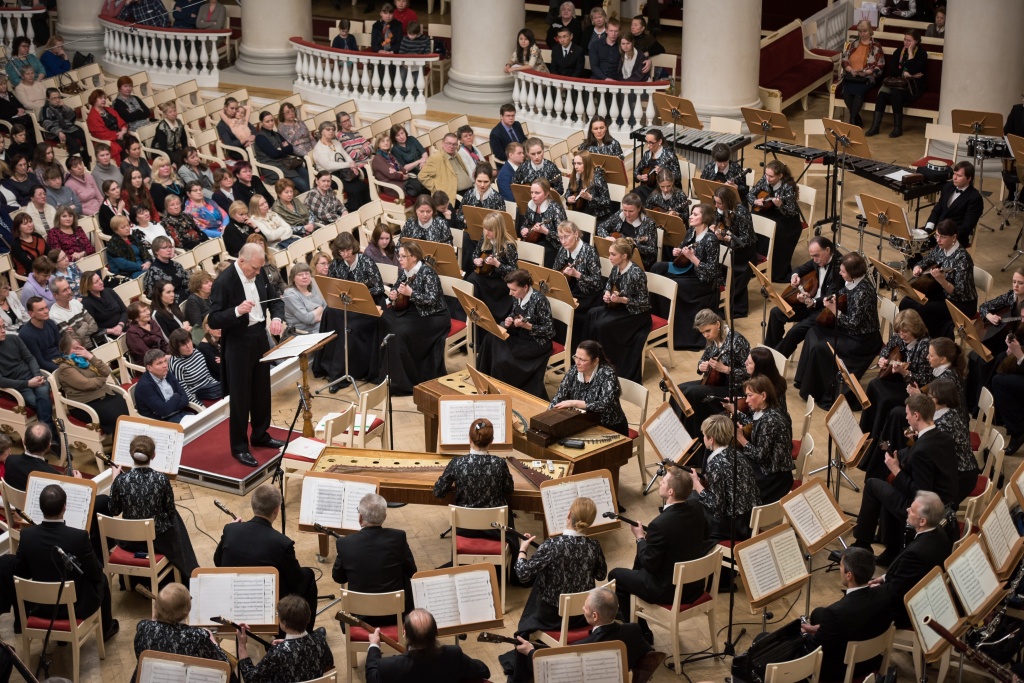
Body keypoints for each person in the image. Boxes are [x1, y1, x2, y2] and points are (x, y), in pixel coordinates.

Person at [853, 395, 956, 565]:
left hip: (926, 511)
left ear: (917, 416)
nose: (906, 417)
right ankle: (891, 548)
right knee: (887, 486)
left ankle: (862, 546)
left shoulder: (921, 450)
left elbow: (920, 493)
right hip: (945, 501)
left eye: (908, 414)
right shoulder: (943, 437)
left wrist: (896, 470)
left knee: (872, 484)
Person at [208, 243, 285, 465]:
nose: (258, 272)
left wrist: (277, 318)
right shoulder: (224, 282)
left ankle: (260, 434)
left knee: (262, 389)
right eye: (255, 268)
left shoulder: (258, 273)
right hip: (238, 342)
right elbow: (213, 319)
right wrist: (236, 311)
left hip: (259, 337)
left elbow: (275, 300)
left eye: (260, 268)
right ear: (242, 261)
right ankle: (239, 447)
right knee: (241, 397)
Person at [9, 484, 118, 640]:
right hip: (74, 608)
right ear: (65, 507)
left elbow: (20, 572)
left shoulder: (27, 536)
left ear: (40, 508)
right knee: (103, 580)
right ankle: (106, 629)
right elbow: (95, 572)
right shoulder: (78, 537)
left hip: (40, 606)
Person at [215, 484, 320, 632]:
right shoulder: (282, 543)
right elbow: (296, 582)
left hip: (233, 597)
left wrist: (229, 533)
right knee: (308, 575)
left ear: (253, 505)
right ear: (276, 511)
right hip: (264, 603)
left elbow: (218, 562)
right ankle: (303, 636)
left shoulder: (231, 529)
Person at [609, 465, 707, 623]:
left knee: (616, 576)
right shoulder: (697, 507)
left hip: (669, 589)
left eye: (664, 481)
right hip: (694, 586)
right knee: (638, 564)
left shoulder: (659, 525)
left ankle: (638, 630)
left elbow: (649, 564)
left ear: (671, 492)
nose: (660, 482)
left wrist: (640, 538)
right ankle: (637, 618)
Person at [794, 251, 882, 407]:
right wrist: (829, 299)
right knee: (813, 332)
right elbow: (843, 293)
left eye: (842, 271)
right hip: (849, 330)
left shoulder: (864, 292)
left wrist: (835, 310)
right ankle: (804, 382)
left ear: (853, 273)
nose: (840, 274)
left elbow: (853, 324)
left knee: (821, 347)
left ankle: (822, 392)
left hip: (861, 339)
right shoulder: (853, 281)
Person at [109, 434, 199, 582]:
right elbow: (170, 511)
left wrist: (115, 482)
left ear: (131, 455)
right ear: (154, 455)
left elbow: (113, 510)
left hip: (129, 541)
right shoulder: (161, 479)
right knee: (175, 517)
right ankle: (188, 571)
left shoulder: (120, 480)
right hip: (156, 541)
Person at [513, 587, 652, 681]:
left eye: (585, 607)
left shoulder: (582, 647)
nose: (583, 609)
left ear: (595, 616)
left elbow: (552, 671)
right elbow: (646, 654)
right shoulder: (634, 629)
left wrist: (531, 652)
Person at [514, 497, 606, 635]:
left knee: (540, 576)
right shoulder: (594, 546)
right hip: (584, 614)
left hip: (553, 618)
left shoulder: (552, 545)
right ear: (590, 522)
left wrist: (523, 550)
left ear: (568, 515)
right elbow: (601, 575)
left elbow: (523, 574)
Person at [801, 547, 894, 683]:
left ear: (849, 575)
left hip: (840, 671)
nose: (840, 569)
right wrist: (822, 628)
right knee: (818, 613)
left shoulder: (836, 612)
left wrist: (803, 635)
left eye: (841, 566)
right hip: (871, 662)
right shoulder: (885, 594)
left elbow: (812, 650)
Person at [373, 240, 450, 395]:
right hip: (414, 310)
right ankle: (387, 375)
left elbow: (432, 299)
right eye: (399, 255)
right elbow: (397, 287)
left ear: (414, 258)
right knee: (382, 320)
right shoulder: (404, 270)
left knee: (399, 333)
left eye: (403, 256)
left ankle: (403, 381)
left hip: (433, 316)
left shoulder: (427, 273)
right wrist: (394, 294)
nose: (399, 259)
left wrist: (411, 294)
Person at [866, 491, 952, 629]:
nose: (907, 510)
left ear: (922, 521)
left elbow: (895, 594)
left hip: (903, 611)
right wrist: (884, 577)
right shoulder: (940, 534)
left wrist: (874, 588)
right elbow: (906, 576)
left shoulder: (916, 554)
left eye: (912, 510)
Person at [332, 492, 418, 622]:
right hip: (395, 615)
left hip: (359, 619)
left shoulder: (345, 544)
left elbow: (338, 577)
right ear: (384, 516)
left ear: (360, 517)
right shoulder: (398, 537)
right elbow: (412, 571)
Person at [651, 204, 721, 351]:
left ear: (705, 218)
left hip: (703, 281)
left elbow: (711, 273)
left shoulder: (711, 240)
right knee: (657, 268)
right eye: (692, 214)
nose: (691, 216)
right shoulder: (691, 231)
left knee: (671, 285)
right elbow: (684, 248)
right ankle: (658, 320)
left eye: (695, 214)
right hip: (689, 271)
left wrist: (693, 258)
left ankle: (676, 334)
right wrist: (679, 251)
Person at [476, 269, 554, 399]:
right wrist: (509, 319)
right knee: (491, 338)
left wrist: (527, 326)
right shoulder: (518, 296)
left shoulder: (540, 300)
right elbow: (515, 312)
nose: (510, 293)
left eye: (513, 290)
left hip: (537, 342)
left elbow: (549, 330)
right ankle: (486, 380)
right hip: (521, 334)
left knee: (503, 358)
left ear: (525, 287)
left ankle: (503, 389)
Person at [583, 237, 650, 384]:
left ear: (624, 256)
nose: (609, 257)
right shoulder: (616, 268)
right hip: (619, 307)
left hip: (636, 314)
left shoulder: (637, 274)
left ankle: (608, 364)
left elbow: (644, 304)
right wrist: (606, 294)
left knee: (603, 325)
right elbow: (609, 285)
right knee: (591, 314)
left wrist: (621, 300)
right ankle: (589, 357)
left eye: (613, 254)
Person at [432, 417, 514, 535]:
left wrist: (456, 485)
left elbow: (438, 492)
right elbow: (509, 489)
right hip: (495, 530)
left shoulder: (457, 463)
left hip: (465, 529)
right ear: (492, 441)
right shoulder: (499, 463)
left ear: (469, 438)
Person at [678, 309, 751, 439]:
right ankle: (680, 432)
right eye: (702, 333)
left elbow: (749, 374)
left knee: (692, 393)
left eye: (708, 331)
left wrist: (726, 369)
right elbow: (704, 357)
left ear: (718, 324)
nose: (705, 335)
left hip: (735, 388)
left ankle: (694, 437)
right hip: (717, 382)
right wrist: (701, 366)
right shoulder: (713, 339)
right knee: (680, 390)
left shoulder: (737, 341)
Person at [766, 236, 842, 358]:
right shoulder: (818, 259)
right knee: (776, 313)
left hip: (824, 311)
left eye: (816, 255)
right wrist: (795, 276)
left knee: (795, 332)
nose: (814, 260)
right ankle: (768, 353)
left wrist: (811, 301)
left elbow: (830, 297)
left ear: (828, 250)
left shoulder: (839, 267)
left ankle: (773, 362)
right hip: (810, 304)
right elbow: (800, 268)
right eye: (812, 256)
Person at [899, 218, 977, 337]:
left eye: (943, 237)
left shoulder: (963, 259)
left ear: (954, 237)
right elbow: (927, 259)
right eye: (936, 236)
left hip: (961, 304)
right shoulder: (941, 248)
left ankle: (928, 341)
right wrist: (918, 266)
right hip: (943, 294)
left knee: (924, 308)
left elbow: (959, 293)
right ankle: (910, 336)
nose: (938, 240)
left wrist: (942, 281)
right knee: (907, 301)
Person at [366, 609, 490, 683]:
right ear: (436, 632)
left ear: (405, 634)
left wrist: (374, 646)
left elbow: (372, 677)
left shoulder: (390, 666)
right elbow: (483, 671)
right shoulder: (453, 655)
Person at [861, 309, 931, 438]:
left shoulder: (924, 346)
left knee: (885, 399)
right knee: (873, 384)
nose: (902, 335)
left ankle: (877, 435)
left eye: (906, 332)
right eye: (899, 332)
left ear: (915, 329)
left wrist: (904, 372)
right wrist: (882, 359)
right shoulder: (899, 337)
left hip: (911, 389)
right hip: (897, 381)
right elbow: (886, 348)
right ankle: (865, 431)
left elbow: (924, 380)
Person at [691, 414, 761, 542]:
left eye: (704, 435)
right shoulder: (737, 453)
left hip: (734, 526)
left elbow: (717, 507)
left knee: (691, 503)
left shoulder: (716, 464)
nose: (703, 438)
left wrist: (696, 483)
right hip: (749, 517)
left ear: (711, 439)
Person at [727, 375, 795, 504]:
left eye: (750, 395)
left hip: (774, 478)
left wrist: (741, 438)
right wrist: (735, 411)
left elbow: (760, 457)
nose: (746, 400)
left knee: (734, 479)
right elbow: (755, 424)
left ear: (763, 395)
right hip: (767, 468)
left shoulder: (771, 421)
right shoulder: (766, 411)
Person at [236, 595, 333, 683]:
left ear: (284, 624)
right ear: (308, 618)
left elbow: (250, 678)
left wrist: (241, 645)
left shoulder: (277, 652)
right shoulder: (320, 640)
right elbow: (329, 665)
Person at [133, 583, 231, 669]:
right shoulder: (199, 636)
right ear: (187, 611)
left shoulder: (143, 627)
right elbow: (224, 664)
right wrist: (213, 642)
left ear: (157, 608)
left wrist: (154, 623)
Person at [865, 30, 927, 139]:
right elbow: (892, 70)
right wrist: (904, 73)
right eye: (905, 40)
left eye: (909, 41)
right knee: (882, 95)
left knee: (896, 95)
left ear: (916, 41)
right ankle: (875, 127)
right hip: (896, 82)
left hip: (912, 86)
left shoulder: (921, 53)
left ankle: (898, 128)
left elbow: (913, 69)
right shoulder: (899, 51)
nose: (906, 43)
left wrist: (911, 53)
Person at [749, 160, 801, 283]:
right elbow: (751, 194)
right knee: (753, 219)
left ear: (780, 176)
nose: (767, 178)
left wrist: (780, 205)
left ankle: (775, 270)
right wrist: (754, 201)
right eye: (766, 174)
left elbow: (792, 211)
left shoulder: (788, 187)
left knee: (775, 231)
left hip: (786, 219)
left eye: (771, 176)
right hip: (768, 211)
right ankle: (757, 264)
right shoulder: (765, 179)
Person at [928, 377, 978, 505]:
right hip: (962, 467)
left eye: (931, 396)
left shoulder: (944, 423)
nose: (928, 399)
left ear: (941, 399)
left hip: (962, 475)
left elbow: (937, 454)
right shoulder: (948, 412)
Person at [0, 317, 54, 432]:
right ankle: (50, 432)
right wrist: (28, 384)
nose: (3, 330)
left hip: (34, 376)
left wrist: (36, 375)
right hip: (18, 386)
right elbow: (1, 381)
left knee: (43, 393)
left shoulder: (14, 339)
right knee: (38, 402)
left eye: (3, 327)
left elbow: (30, 358)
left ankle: (46, 434)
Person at [552, 220, 602, 341]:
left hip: (587, 294)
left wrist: (578, 275)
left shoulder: (589, 251)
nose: (563, 241)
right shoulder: (563, 249)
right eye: (560, 238)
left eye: (566, 237)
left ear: (575, 234)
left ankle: (571, 346)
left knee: (565, 308)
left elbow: (597, 283)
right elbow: (555, 271)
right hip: (569, 288)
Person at [464, 212, 518, 321]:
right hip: (485, 275)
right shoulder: (485, 238)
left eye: (490, 230)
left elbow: (514, 271)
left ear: (499, 229)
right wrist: (476, 260)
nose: (486, 233)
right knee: (471, 279)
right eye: (485, 228)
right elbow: (475, 253)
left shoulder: (509, 245)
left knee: (474, 281)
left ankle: (486, 316)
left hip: (500, 281)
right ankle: (473, 314)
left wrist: (497, 264)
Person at [311, 121, 370, 214]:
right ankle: (354, 214)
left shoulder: (336, 142)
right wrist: (348, 165)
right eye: (328, 129)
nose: (331, 131)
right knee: (354, 190)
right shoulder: (319, 148)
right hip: (330, 176)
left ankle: (368, 212)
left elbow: (346, 155)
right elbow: (328, 166)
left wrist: (353, 165)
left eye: (333, 130)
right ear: (322, 131)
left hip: (344, 171)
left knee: (364, 186)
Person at [922, 162, 984, 248]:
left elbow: (967, 226)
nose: (954, 178)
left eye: (959, 176)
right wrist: (929, 227)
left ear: (969, 178)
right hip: (937, 231)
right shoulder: (948, 186)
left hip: (954, 238)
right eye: (954, 174)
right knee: (911, 242)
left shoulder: (975, 198)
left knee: (920, 250)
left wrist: (944, 235)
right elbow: (938, 209)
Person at [839, 21, 886, 127]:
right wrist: (851, 69)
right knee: (846, 91)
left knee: (859, 91)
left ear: (870, 31)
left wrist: (866, 72)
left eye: (864, 31)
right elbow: (844, 60)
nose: (862, 34)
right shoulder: (853, 44)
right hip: (852, 76)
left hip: (868, 78)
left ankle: (852, 121)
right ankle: (856, 117)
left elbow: (880, 66)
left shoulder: (876, 46)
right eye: (860, 31)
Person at [596, 192, 658, 270]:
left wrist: (635, 246)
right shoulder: (620, 215)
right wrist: (607, 237)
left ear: (639, 209)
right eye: (625, 210)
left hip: (637, 261)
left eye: (631, 211)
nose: (627, 214)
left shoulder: (648, 224)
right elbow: (601, 227)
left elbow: (652, 251)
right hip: (618, 255)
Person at [254, 110, 310, 193]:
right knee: (303, 185)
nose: (271, 123)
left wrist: (280, 149)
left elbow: (290, 148)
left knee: (309, 177)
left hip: (285, 162)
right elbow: (274, 154)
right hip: (272, 166)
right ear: (262, 123)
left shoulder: (275, 134)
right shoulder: (260, 137)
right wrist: (282, 148)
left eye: (272, 120)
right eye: (267, 121)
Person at [517, 177, 566, 268]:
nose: (533, 196)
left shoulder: (555, 209)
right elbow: (525, 224)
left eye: (537, 193)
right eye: (532, 192)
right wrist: (523, 230)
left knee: (533, 254)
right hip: (533, 241)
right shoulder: (531, 205)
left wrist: (545, 231)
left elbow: (563, 237)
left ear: (547, 194)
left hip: (552, 246)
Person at [134, 348, 191, 423]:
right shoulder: (144, 386)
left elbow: (185, 398)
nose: (165, 365)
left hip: (179, 414)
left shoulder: (166, 373)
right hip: (161, 422)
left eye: (165, 361)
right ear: (149, 368)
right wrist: (176, 396)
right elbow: (164, 411)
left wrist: (169, 406)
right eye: (159, 363)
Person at [168, 328, 222, 401]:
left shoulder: (197, 352)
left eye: (189, 341)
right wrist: (201, 407)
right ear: (176, 347)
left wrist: (220, 387)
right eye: (183, 344)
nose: (188, 346)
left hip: (211, 391)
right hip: (197, 397)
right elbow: (184, 392)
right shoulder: (175, 363)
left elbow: (208, 377)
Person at [372, 131, 426, 201]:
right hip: (391, 185)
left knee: (421, 183)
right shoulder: (378, 159)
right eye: (382, 141)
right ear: (378, 144)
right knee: (414, 188)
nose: (386, 143)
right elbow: (391, 174)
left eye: (387, 140)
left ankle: (424, 206)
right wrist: (401, 175)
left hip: (399, 181)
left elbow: (400, 167)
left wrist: (404, 173)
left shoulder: (389, 155)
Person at [633, 127, 680, 203]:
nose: (648, 145)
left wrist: (664, 172)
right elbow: (636, 170)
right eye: (647, 142)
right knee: (634, 196)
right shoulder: (647, 154)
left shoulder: (669, 155)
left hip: (664, 190)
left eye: (651, 142)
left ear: (660, 141)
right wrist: (639, 177)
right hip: (648, 187)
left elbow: (678, 177)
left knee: (639, 193)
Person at [49, 275, 100, 346]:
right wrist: (85, 325)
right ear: (55, 296)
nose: (69, 292)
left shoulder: (75, 302)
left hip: (95, 342)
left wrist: (78, 332)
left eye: (69, 288)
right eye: (64, 290)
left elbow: (94, 326)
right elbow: (72, 341)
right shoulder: (55, 315)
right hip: (79, 351)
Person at [420, 132, 472, 199]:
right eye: (449, 143)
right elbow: (422, 176)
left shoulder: (456, 155)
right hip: (455, 195)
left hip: (469, 190)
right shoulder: (436, 158)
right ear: (442, 143)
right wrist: (438, 189)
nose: (451, 146)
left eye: (454, 144)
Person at [566, 151, 612, 222]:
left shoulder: (598, 179)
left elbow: (607, 202)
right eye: (574, 163)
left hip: (596, 217)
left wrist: (590, 198)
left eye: (579, 163)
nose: (576, 167)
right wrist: (568, 198)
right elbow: (568, 192)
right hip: (580, 213)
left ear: (587, 164)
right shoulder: (575, 176)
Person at [283, 262, 327, 336]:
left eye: (307, 273)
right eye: (300, 275)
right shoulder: (290, 294)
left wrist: (317, 316)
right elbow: (307, 318)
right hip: (303, 333)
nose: (304, 277)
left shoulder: (314, 285)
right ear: (293, 278)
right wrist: (320, 308)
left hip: (322, 327)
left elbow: (327, 305)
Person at [85, 89, 128, 164]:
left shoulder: (109, 110)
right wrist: (118, 135)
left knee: (131, 140)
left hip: (120, 134)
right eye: (101, 98)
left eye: (104, 98)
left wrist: (123, 130)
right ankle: (125, 167)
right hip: (107, 140)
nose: (104, 100)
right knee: (122, 144)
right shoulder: (92, 117)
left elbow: (121, 121)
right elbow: (102, 134)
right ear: (94, 100)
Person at [143, 236, 190, 303]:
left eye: (170, 247)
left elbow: (187, 283)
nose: (169, 250)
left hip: (184, 297)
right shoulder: (153, 271)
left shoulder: (177, 265)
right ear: (156, 251)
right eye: (165, 248)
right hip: (169, 302)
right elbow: (154, 296)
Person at [19, 295, 60, 372]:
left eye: (46, 307)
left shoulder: (50, 323)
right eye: (41, 309)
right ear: (31, 314)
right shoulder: (26, 335)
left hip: (62, 361)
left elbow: (61, 346)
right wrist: (61, 368)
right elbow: (40, 362)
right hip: (49, 368)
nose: (46, 311)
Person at [81, 270, 127, 337]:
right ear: (88, 287)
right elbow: (93, 328)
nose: (101, 282)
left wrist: (120, 325)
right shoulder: (87, 303)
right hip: (108, 335)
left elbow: (124, 310)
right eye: (96, 282)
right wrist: (112, 331)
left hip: (123, 325)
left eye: (99, 279)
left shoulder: (109, 291)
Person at [270, 178, 314, 244]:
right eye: (286, 192)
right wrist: (304, 228)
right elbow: (286, 229)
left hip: (310, 228)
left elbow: (310, 212)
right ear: (279, 194)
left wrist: (310, 224)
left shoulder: (295, 200)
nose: (290, 194)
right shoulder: (277, 208)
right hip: (296, 236)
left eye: (291, 191)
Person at [152, 101, 188, 167]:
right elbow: (163, 148)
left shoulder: (179, 123)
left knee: (188, 158)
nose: (173, 113)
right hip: (161, 152)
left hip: (174, 149)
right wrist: (171, 162)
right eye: (170, 112)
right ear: (165, 115)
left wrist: (187, 153)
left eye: (174, 111)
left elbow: (184, 141)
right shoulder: (162, 127)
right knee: (180, 160)